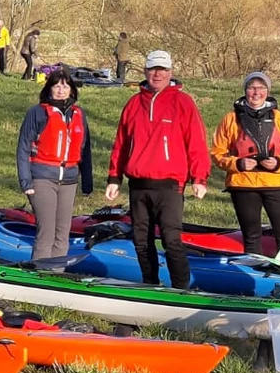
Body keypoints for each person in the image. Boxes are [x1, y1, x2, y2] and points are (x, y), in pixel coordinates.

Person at [103, 50, 209, 286]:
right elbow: (121, 143)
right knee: (141, 240)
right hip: (138, 184)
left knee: (172, 240)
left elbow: (197, 142)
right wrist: (114, 178)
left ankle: (182, 289)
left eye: (162, 70)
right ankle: (150, 284)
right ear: (145, 71)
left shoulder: (183, 102)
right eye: (153, 69)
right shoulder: (133, 104)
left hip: (170, 185)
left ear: (170, 72)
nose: (157, 74)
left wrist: (199, 178)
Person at [210, 70, 280, 257]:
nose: (256, 92)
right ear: (245, 90)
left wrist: (278, 163)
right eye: (251, 88)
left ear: (268, 91)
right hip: (244, 185)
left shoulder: (279, 118)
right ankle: (254, 276)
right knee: (251, 237)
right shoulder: (230, 119)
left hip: (277, 184)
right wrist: (238, 164)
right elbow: (217, 153)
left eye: (261, 88)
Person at [16, 66, 93, 265]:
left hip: (68, 180)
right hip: (42, 177)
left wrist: (87, 181)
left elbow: (85, 147)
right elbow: (23, 146)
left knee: (62, 233)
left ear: (72, 90)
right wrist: (26, 181)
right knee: (47, 231)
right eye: (56, 86)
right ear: (49, 88)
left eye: (65, 86)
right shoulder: (38, 113)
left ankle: (55, 275)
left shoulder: (78, 114)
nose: (61, 90)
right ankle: (38, 276)